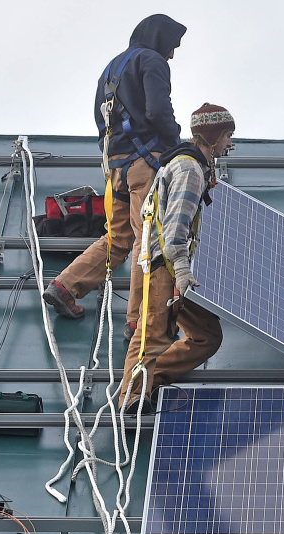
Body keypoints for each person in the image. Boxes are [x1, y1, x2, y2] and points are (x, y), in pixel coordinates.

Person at [43, 14, 186, 341]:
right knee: (146, 239)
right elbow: (158, 111)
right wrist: (176, 149)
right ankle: (138, 321)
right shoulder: (151, 60)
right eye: (172, 46)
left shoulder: (111, 68)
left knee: (119, 239)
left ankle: (66, 286)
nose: (172, 54)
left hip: (116, 167)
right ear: (159, 38)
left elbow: (100, 119)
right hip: (145, 164)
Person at [119, 103, 235, 414]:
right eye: (227, 136)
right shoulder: (189, 169)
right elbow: (175, 229)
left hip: (175, 267)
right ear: (210, 137)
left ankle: (151, 379)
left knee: (207, 336)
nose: (231, 144)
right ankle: (132, 394)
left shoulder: (193, 168)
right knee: (152, 334)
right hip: (166, 267)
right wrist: (182, 271)